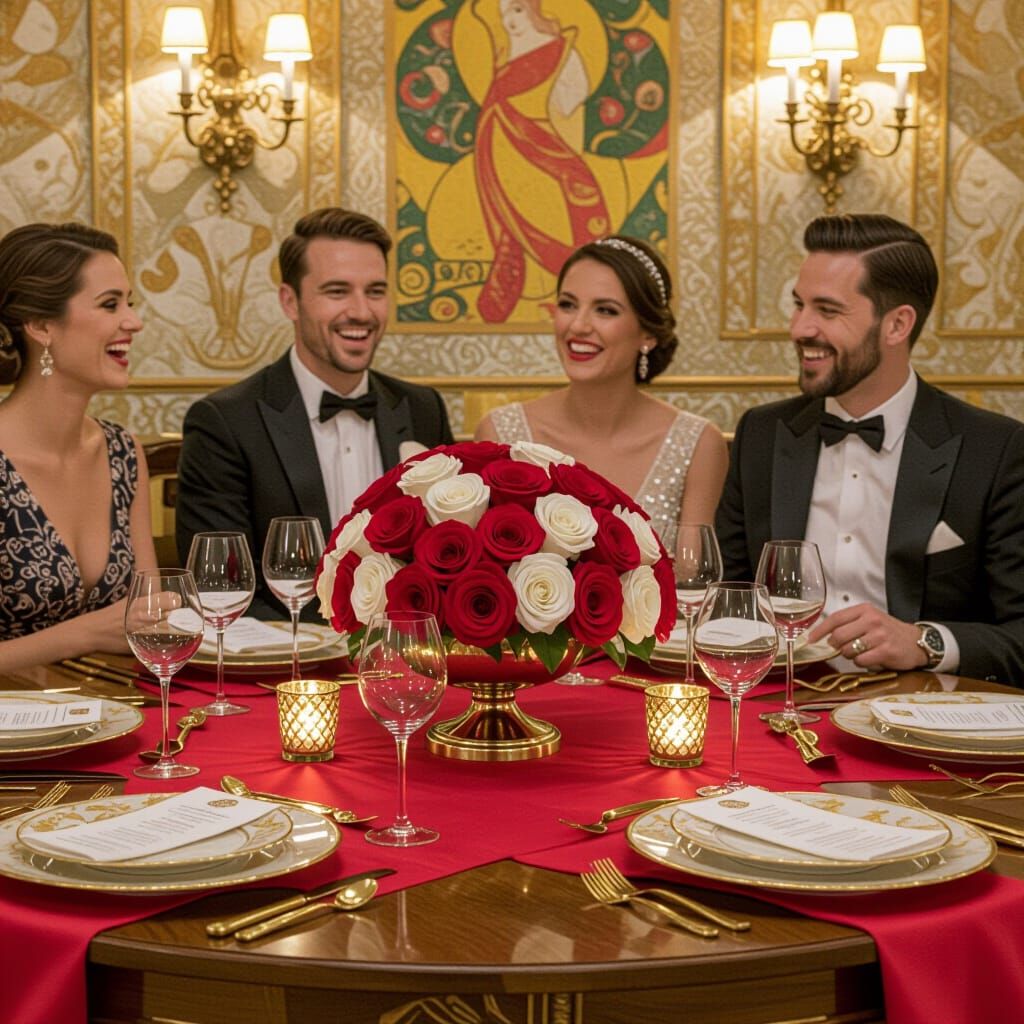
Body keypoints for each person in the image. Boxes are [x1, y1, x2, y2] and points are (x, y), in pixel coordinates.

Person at [716, 213, 1024, 685]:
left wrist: (924, 642)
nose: (799, 328)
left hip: (919, 710)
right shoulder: (762, 434)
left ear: (897, 324)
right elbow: (726, 598)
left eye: (827, 310)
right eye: (799, 305)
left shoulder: (995, 450)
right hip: (781, 701)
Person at [175, 207, 455, 620]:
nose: (361, 311)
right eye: (337, 291)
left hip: (406, 649)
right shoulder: (225, 422)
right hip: (286, 654)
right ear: (290, 301)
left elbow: (450, 557)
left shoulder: (422, 409)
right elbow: (221, 589)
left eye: (375, 291)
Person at [475, 234, 729, 560]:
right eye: (568, 305)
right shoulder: (500, 433)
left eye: (605, 310)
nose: (578, 326)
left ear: (649, 333)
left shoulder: (698, 444)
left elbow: (694, 579)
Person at [0, 222, 156, 672]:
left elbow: (149, 620)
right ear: (40, 325)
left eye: (129, 303)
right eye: (110, 304)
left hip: (115, 706)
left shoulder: (123, 453)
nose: (133, 322)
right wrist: (84, 633)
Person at [472, 0, 609, 322]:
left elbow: (570, 100)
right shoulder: (505, 58)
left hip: (539, 145)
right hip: (501, 153)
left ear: (534, 11)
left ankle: (579, 288)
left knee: (569, 203)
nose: (510, 21)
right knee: (514, 224)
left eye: (517, 10)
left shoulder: (561, 52)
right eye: (505, 14)